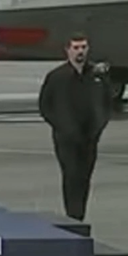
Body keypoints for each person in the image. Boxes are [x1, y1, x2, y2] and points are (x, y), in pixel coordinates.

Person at [38, 34, 114, 221]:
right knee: (71, 175)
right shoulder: (56, 77)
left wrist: (99, 127)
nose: (80, 51)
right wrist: (62, 126)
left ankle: (79, 216)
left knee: (84, 178)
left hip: (90, 138)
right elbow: (45, 106)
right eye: (76, 48)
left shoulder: (97, 75)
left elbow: (107, 102)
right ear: (68, 50)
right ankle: (72, 217)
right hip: (66, 139)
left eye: (83, 47)